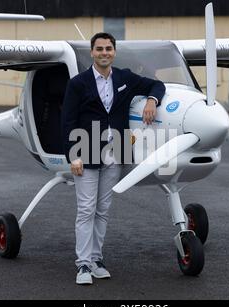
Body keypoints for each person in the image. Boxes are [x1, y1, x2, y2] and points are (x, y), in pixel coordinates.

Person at [62, 32, 165, 285]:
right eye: (99, 49)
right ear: (92, 52)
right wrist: (72, 155)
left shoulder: (125, 78)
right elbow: (67, 122)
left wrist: (152, 100)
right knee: (86, 210)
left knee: (103, 210)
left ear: (114, 52)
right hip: (86, 152)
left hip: (116, 152)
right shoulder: (78, 83)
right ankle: (83, 265)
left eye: (108, 48)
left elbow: (157, 85)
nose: (104, 53)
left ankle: (97, 259)